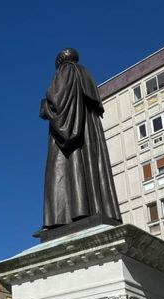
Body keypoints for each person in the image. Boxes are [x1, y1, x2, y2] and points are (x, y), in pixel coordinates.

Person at [41, 48, 121, 231]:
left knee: (61, 170)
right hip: (87, 134)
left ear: (60, 61)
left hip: (68, 140)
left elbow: (57, 102)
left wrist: (44, 106)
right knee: (90, 167)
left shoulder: (66, 70)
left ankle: (63, 219)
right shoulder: (86, 76)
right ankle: (89, 209)